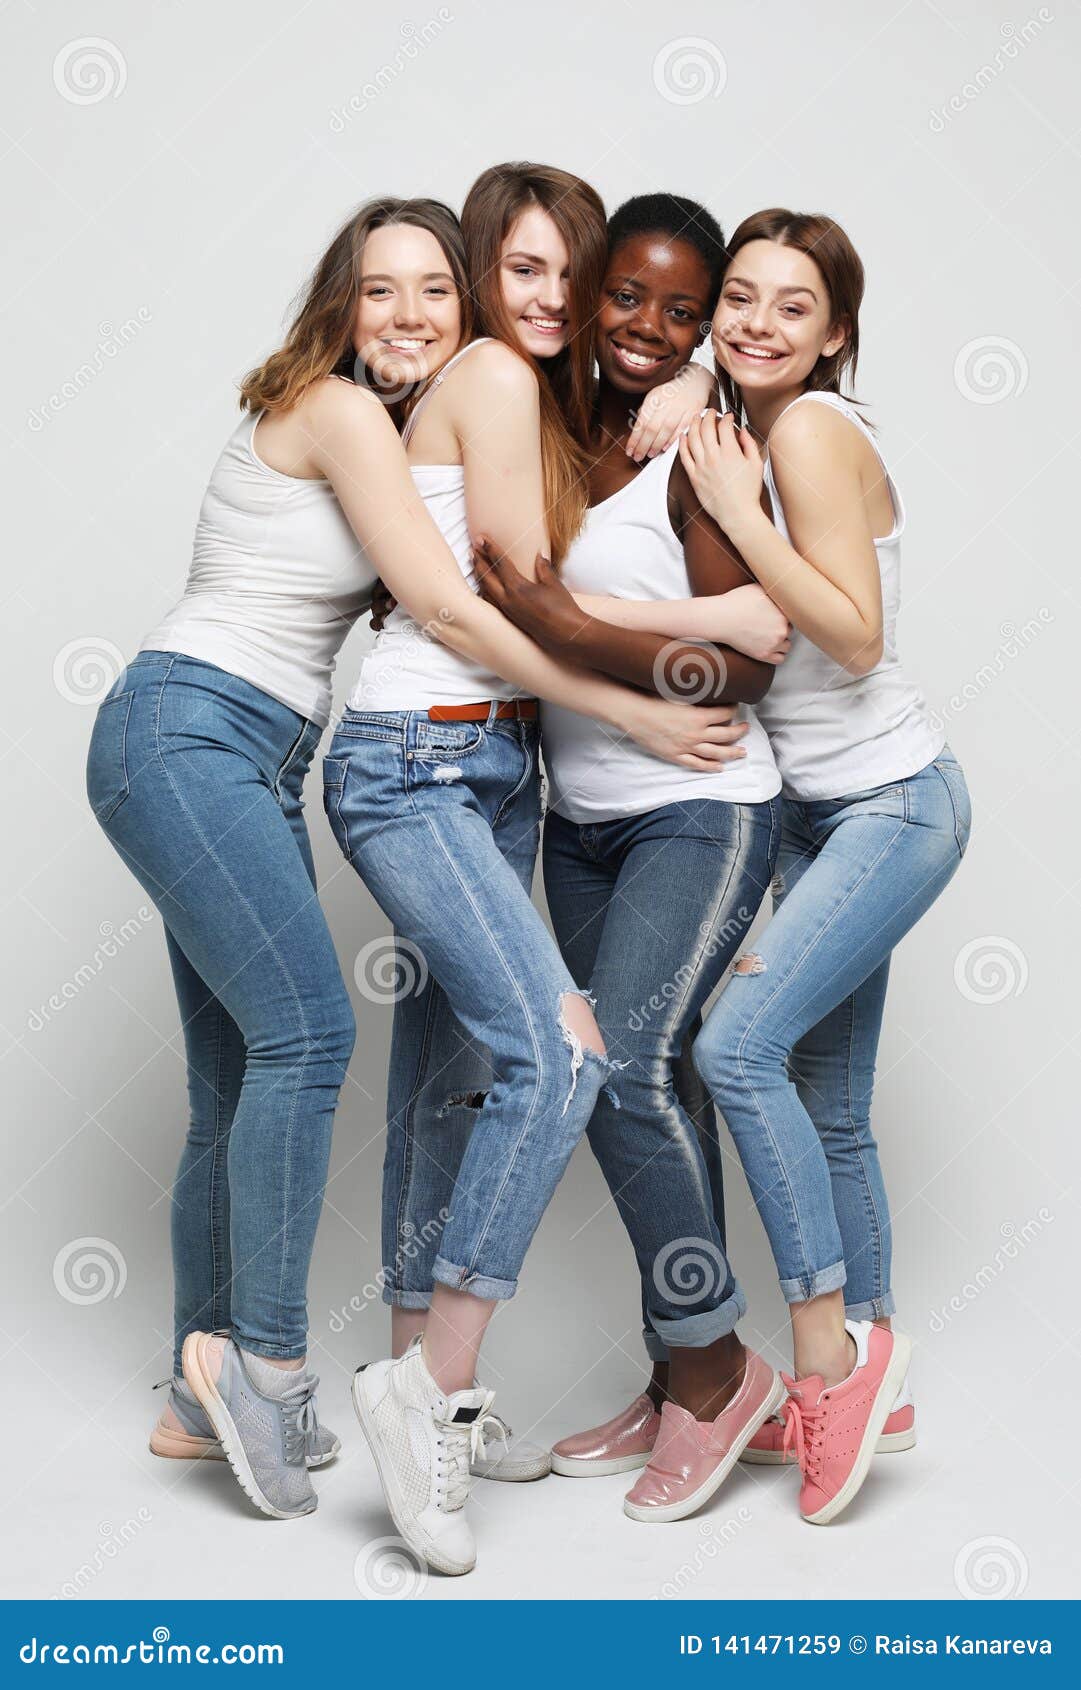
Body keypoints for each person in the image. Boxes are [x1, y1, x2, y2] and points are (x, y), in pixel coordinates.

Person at [323, 169, 750, 1573]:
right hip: (421, 753)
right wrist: (633, 710)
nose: (551, 298)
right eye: (517, 269)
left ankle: (414, 1394)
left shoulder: (538, 400)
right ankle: (425, 1388)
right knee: (563, 1062)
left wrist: (675, 398)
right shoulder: (498, 377)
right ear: (478, 278)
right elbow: (511, 581)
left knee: (454, 1078)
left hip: (492, 763)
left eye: (570, 268)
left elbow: (552, 546)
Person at [681, 209, 971, 1524]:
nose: (753, 322)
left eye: (789, 308)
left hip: (891, 804)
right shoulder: (737, 416)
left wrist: (741, 514)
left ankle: (828, 1363)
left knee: (734, 1050)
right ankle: (877, 1371)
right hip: (819, 812)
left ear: (835, 334)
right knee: (829, 1103)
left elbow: (850, 641)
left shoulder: (802, 432)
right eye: (737, 296)